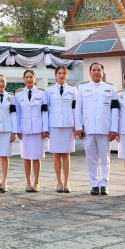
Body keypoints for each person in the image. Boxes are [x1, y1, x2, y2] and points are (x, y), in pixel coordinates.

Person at [77, 62, 118, 196]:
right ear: (90, 72)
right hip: (88, 129)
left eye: (98, 70)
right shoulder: (82, 88)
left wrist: (114, 129)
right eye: (94, 70)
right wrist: (79, 127)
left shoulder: (110, 88)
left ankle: (104, 184)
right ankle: (94, 184)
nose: (96, 72)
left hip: (104, 129)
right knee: (91, 159)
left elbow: (115, 110)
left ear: (102, 72)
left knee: (105, 159)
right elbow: (78, 110)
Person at [45, 65, 78, 193]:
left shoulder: (73, 89)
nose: (61, 75)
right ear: (55, 75)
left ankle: (66, 182)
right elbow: (45, 111)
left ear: (66, 75)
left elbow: (75, 109)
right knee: (56, 154)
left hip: (68, 125)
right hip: (54, 126)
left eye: (64, 73)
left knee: (66, 154)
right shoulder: (49, 90)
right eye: (59, 73)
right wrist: (45, 128)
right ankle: (59, 182)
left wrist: (77, 126)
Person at [14, 69, 47, 192]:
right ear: (24, 79)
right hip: (25, 130)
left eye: (31, 77)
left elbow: (45, 112)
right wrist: (17, 130)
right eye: (26, 77)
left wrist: (45, 129)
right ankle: (28, 182)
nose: (29, 79)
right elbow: (16, 114)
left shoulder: (42, 93)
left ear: (35, 79)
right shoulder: (18, 94)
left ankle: (37, 182)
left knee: (37, 157)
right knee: (26, 157)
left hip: (38, 130)